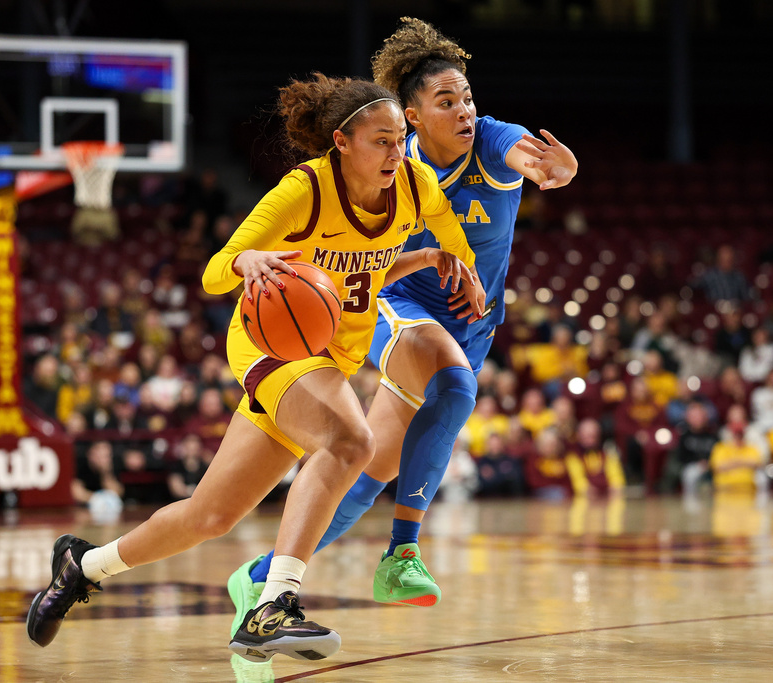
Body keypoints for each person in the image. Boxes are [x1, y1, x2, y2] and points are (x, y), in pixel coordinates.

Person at [26, 72, 482, 663]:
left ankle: (81, 566)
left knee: (209, 515)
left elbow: (377, 270)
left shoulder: (416, 187)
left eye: (400, 139)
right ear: (341, 142)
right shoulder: (304, 191)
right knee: (351, 441)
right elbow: (214, 271)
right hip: (271, 345)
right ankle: (274, 606)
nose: (397, 152)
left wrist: (439, 259)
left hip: (327, 357)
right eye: (381, 141)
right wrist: (249, 259)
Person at [231, 16, 577, 616]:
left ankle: (261, 578)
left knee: (368, 475)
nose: (465, 111)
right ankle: (402, 554)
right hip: (397, 300)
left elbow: (526, 155)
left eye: (467, 97)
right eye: (447, 102)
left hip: (473, 322)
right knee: (453, 383)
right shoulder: (391, 160)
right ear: (412, 116)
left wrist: (555, 170)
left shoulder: (494, 142)